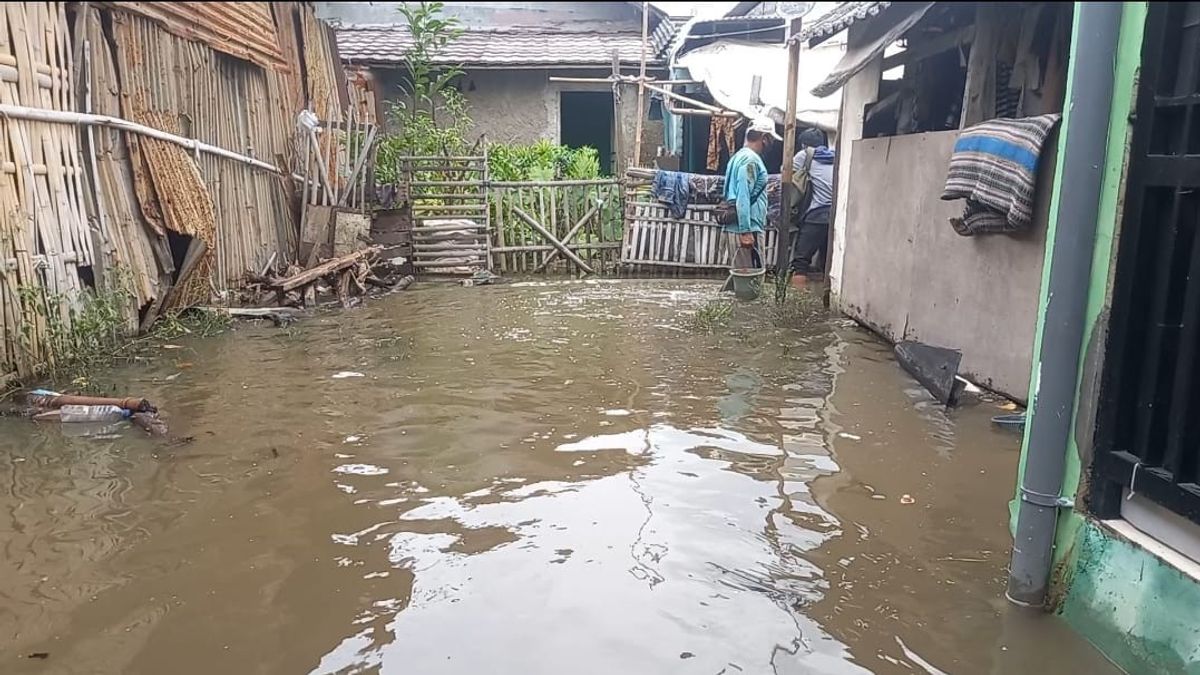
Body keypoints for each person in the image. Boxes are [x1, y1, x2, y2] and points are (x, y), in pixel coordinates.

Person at [723, 118, 780, 269]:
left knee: (743, 279)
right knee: (751, 282)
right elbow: (743, 195)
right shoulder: (751, 160)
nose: (772, 144)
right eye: (771, 139)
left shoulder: (738, 157)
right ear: (764, 138)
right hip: (748, 228)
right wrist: (745, 230)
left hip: (737, 225)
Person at [789, 128, 836, 285]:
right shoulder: (835, 156)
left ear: (804, 145)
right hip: (836, 217)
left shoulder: (805, 155)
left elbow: (785, 173)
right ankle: (826, 302)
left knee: (800, 263)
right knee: (828, 265)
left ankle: (795, 306)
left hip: (816, 215)